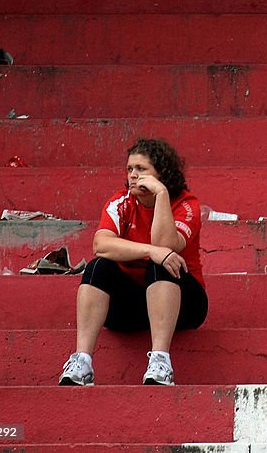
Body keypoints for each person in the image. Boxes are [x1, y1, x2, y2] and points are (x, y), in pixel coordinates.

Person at [59, 138, 207, 386]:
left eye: (141, 169)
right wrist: (150, 250)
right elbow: (101, 245)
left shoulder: (185, 204)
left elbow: (167, 245)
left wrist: (160, 194)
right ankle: (81, 362)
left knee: (162, 264)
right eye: (130, 169)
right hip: (131, 308)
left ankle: (161, 362)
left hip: (183, 305)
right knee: (99, 266)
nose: (133, 176)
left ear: (161, 173)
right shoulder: (121, 201)